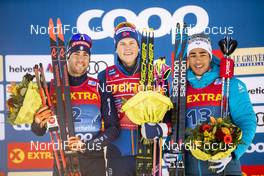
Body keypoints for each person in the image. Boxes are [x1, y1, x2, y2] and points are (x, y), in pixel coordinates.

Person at [164, 33, 256, 175]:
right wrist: (168, 149)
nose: (198, 60)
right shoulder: (180, 87)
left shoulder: (230, 84)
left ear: (210, 56)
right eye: (193, 55)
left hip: (224, 165)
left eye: (203, 54)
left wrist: (232, 154)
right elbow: (175, 125)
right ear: (187, 59)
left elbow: (247, 121)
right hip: (191, 168)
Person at [31, 33, 120, 176]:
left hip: (93, 161)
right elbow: (38, 131)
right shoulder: (52, 87)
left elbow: (113, 129)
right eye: (76, 53)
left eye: (85, 55)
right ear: (67, 56)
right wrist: (37, 123)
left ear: (89, 59)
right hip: (63, 161)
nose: (81, 59)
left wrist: (86, 146)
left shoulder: (99, 86)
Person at [98, 22, 171, 176]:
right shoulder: (105, 76)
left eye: (132, 43)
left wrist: (161, 129)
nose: (127, 47)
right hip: (118, 151)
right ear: (116, 48)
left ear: (139, 47)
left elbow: (169, 113)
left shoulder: (156, 73)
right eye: (122, 43)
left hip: (149, 148)